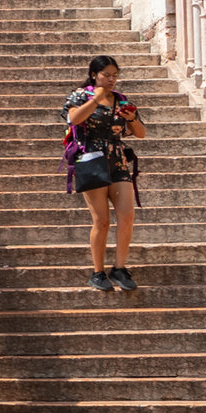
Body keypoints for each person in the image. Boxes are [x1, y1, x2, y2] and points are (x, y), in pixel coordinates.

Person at [63, 54, 148, 293]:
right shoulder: (80, 96)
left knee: (127, 215)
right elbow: (73, 119)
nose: (111, 80)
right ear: (94, 75)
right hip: (91, 159)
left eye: (115, 76)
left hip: (117, 161)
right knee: (101, 220)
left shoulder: (121, 101)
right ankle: (97, 271)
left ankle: (119, 268)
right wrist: (95, 100)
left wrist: (131, 120)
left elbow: (140, 133)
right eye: (106, 75)